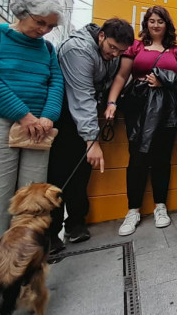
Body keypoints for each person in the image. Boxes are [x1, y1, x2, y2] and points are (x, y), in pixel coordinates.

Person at [0, 0, 64, 279]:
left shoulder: (47, 49)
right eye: (40, 22)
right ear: (23, 12)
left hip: (38, 129)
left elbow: (56, 82)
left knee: (33, 199)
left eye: (50, 26)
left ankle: (26, 263)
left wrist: (47, 116)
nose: (44, 30)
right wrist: (24, 115)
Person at [47, 18, 134, 252]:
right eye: (112, 48)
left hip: (86, 117)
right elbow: (81, 96)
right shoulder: (78, 50)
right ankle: (50, 232)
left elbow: (118, 79)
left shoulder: (110, 55)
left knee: (81, 172)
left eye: (120, 51)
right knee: (58, 174)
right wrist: (91, 140)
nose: (114, 54)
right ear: (102, 36)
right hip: (65, 116)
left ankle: (75, 222)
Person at [106, 6, 177, 235]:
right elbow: (122, 75)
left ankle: (160, 206)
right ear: (146, 24)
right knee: (137, 157)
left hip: (167, 109)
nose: (156, 25)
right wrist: (111, 102)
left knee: (162, 157)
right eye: (152, 20)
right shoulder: (136, 46)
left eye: (160, 21)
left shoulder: (176, 51)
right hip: (138, 107)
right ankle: (133, 210)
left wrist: (163, 80)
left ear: (167, 24)